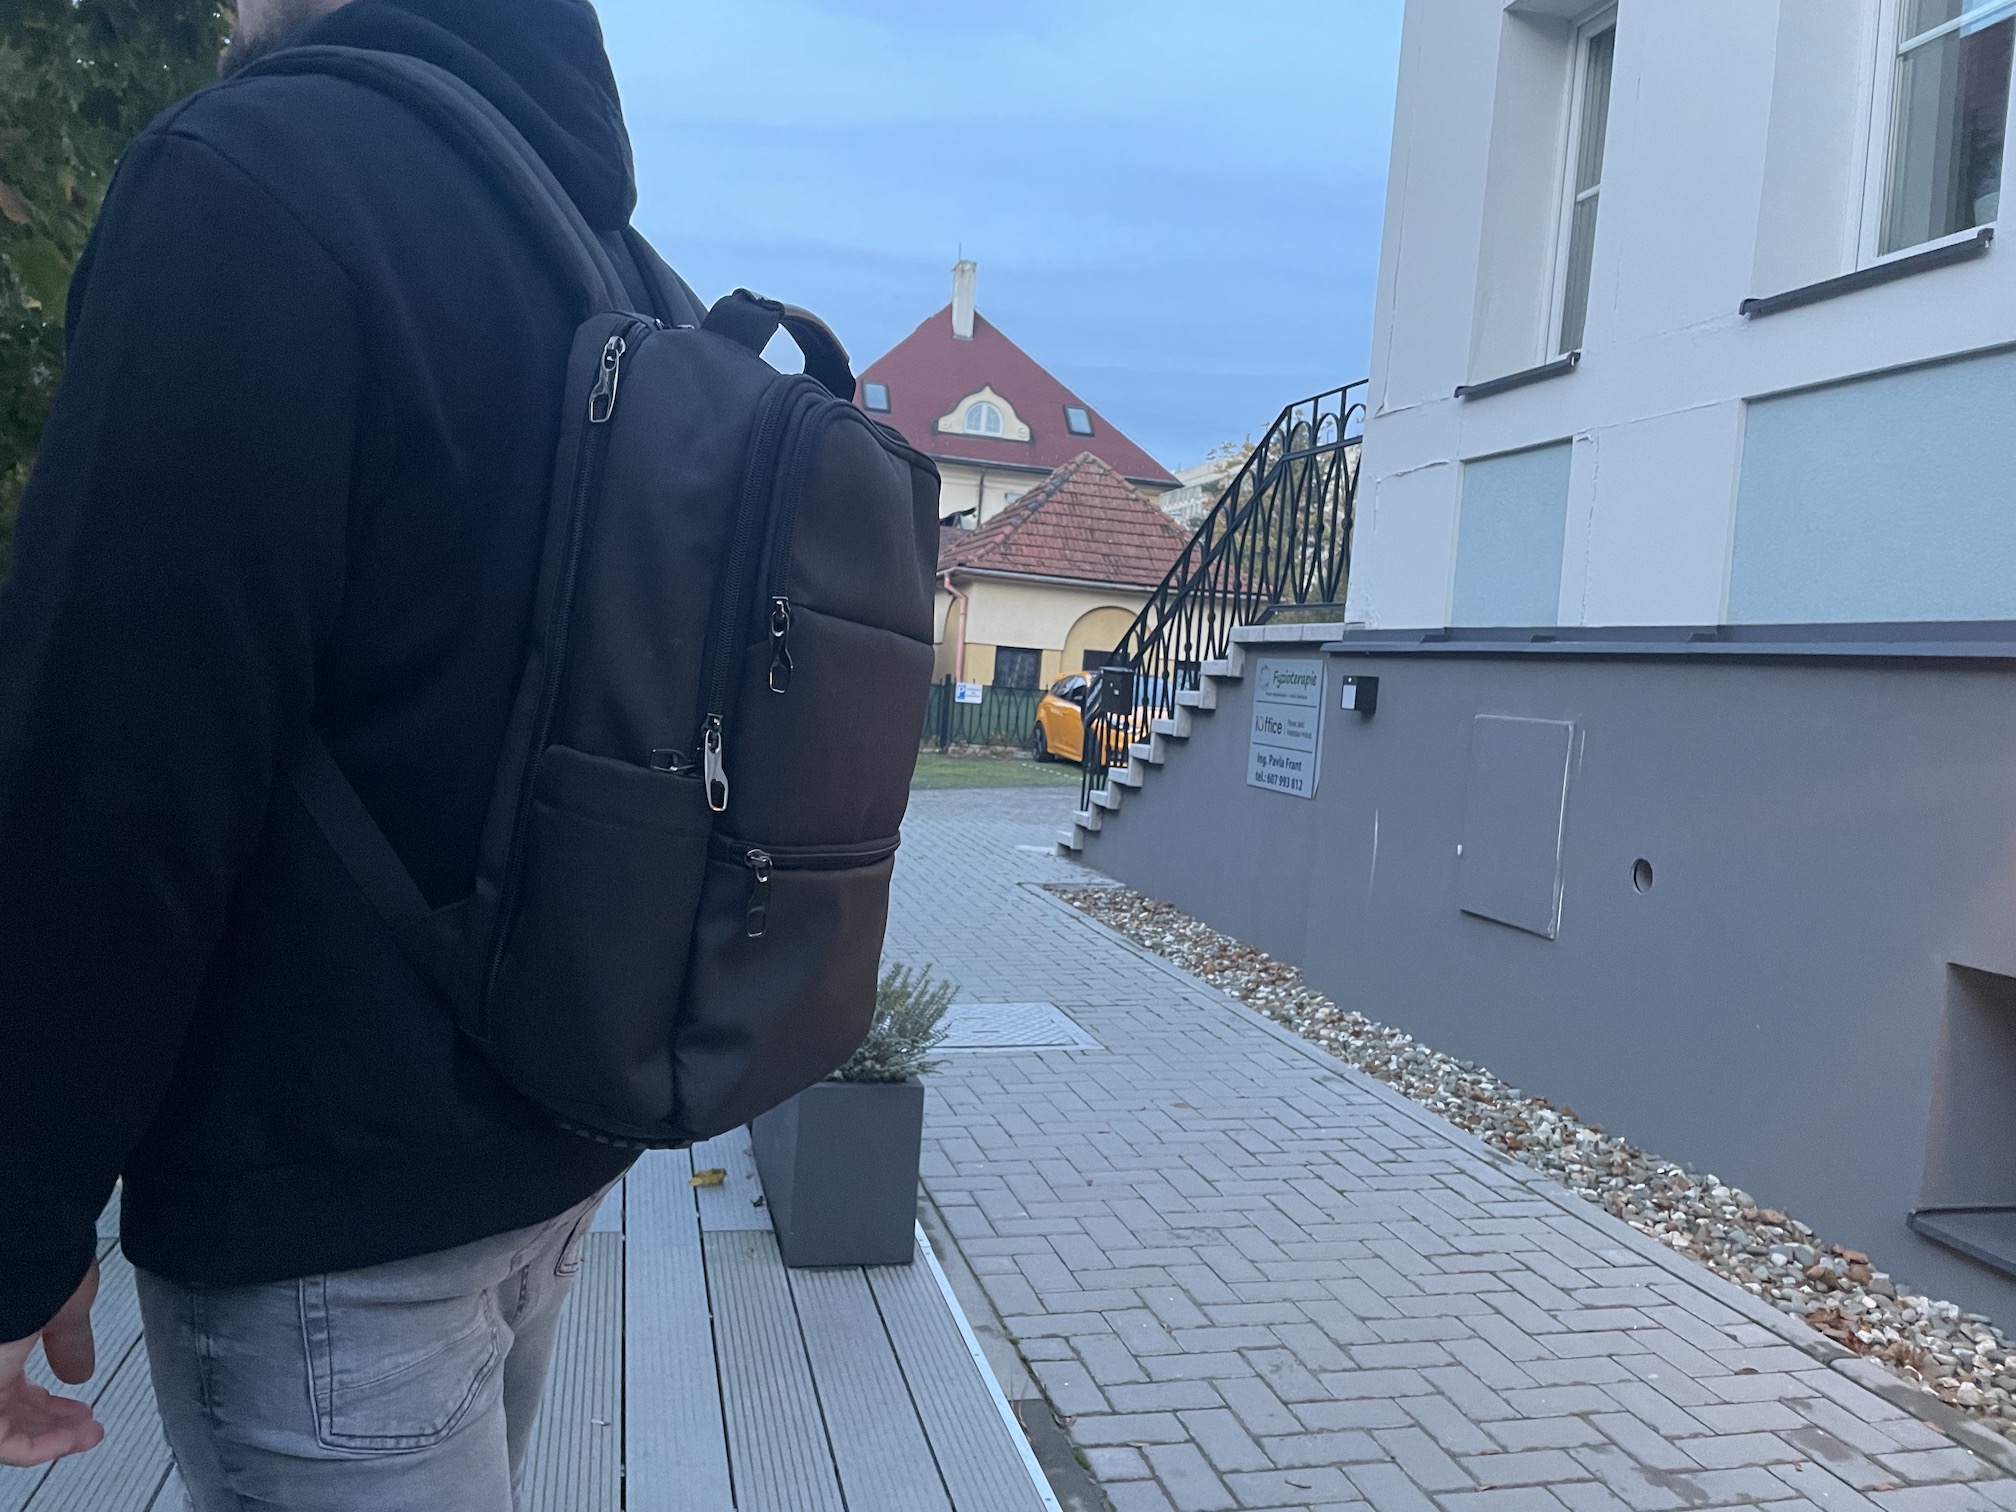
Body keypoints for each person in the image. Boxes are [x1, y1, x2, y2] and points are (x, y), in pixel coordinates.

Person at [0, 0, 695, 1504]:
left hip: (321, 1203)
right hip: (540, 1143)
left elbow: (116, 753)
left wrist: (17, 1210)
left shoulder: (255, 177)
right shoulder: (614, 263)